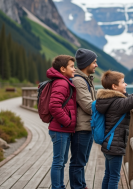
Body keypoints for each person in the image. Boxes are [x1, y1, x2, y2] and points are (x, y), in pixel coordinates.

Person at [47, 55, 77, 189]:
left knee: (61, 161)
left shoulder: (64, 81)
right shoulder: (62, 83)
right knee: (58, 162)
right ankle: (57, 187)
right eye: (72, 66)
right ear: (63, 69)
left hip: (62, 128)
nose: (74, 69)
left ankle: (60, 186)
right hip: (60, 129)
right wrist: (68, 122)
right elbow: (54, 106)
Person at [70, 48, 98, 189]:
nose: (96, 65)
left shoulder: (86, 80)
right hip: (81, 127)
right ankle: (77, 187)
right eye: (94, 62)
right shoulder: (79, 81)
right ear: (87, 63)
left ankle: (81, 185)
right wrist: (105, 106)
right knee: (78, 161)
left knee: (82, 160)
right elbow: (88, 106)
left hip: (87, 126)